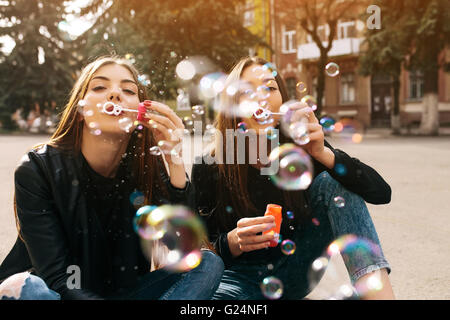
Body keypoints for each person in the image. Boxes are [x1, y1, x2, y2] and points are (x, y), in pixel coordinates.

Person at [0, 55, 224, 300]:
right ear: (80, 111)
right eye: (99, 87)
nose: (115, 94)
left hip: (120, 295)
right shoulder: (37, 169)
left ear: (141, 113)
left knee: (206, 264)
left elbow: (181, 249)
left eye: (128, 90)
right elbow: (58, 279)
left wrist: (175, 160)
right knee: (28, 287)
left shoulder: (146, 167)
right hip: (57, 293)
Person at [191, 56, 395, 300]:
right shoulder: (211, 163)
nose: (262, 97)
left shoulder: (302, 147)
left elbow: (382, 193)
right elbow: (200, 250)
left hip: (296, 268)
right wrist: (232, 241)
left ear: (282, 99)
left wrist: (324, 153)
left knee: (335, 181)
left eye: (270, 87)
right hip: (237, 280)